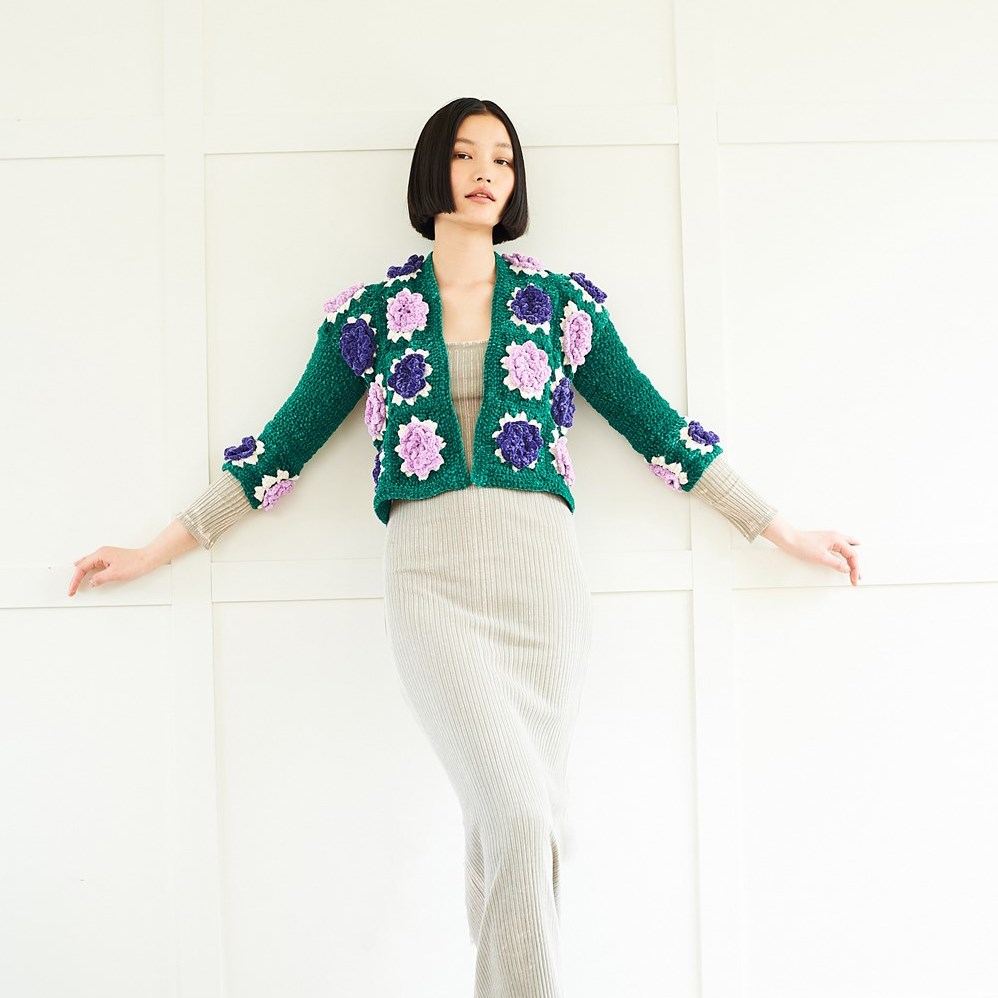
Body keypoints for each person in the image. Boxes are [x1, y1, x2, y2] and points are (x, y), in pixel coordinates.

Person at [68, 97, 861, 996]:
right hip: (432, 587)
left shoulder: (561, 306)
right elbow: (280, 448)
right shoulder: (372, 316)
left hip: (543, 590)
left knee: (523, 829)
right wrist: (154, 550)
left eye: (504, 159)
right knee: (519, 817)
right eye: (465, 154)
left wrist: (779, 526)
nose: (487, 172)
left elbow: (658, 429)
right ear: (431, 171)